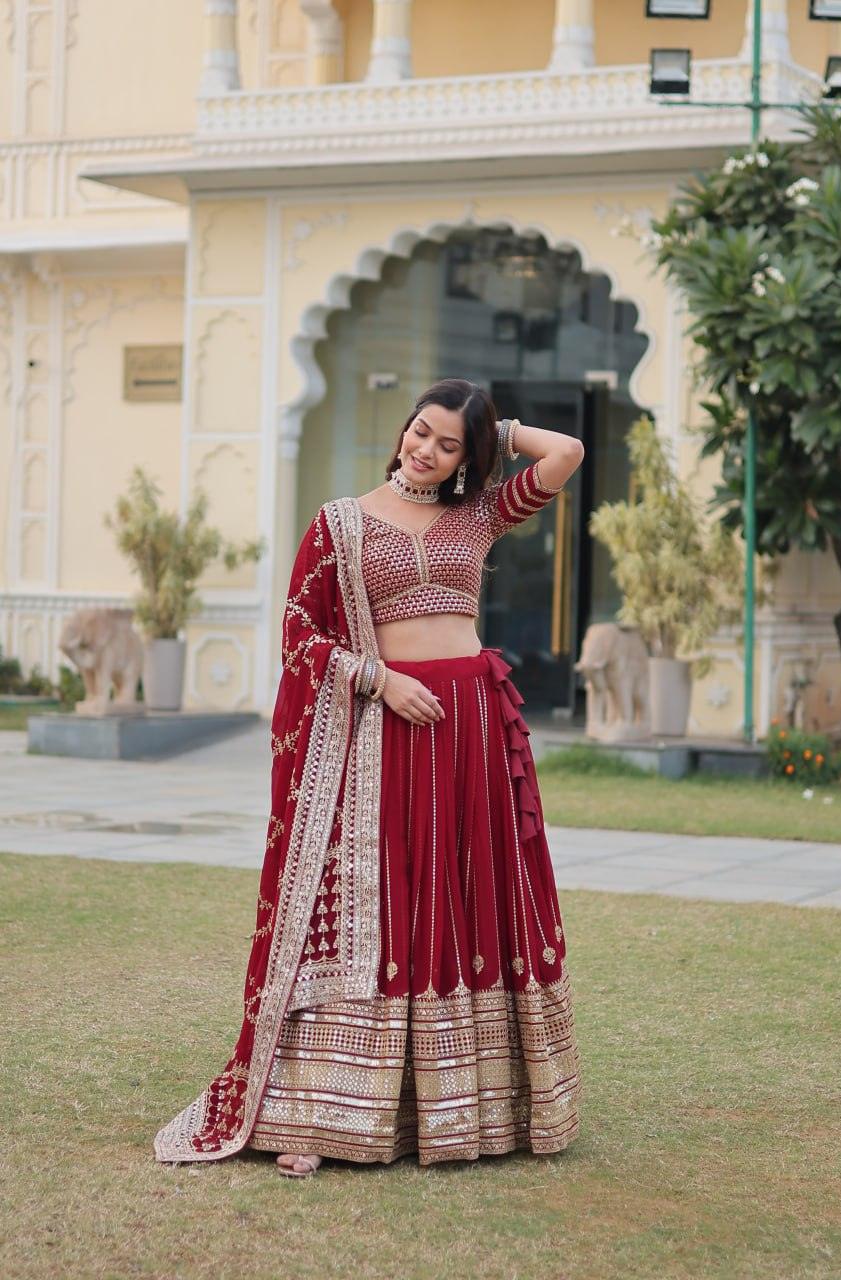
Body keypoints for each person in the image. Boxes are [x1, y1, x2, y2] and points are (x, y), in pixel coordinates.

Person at [154, 378, 584, 1177]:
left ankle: (470, 1110)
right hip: (384, 727)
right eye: (421, 431)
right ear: (402, 429)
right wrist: (376, 680)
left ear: (469, 456)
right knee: (380, 903)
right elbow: (296, 633)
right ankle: (319, 1112)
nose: (425, 450)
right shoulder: (339, 523)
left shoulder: (479, 514)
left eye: (448, 444)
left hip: (471, 730)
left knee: (465, 899)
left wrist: (497, 429)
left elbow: (567, 454)